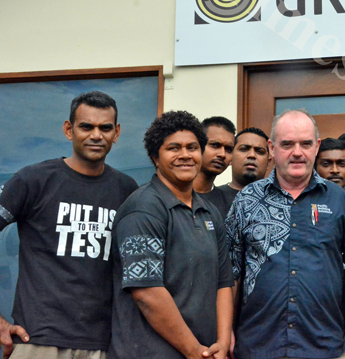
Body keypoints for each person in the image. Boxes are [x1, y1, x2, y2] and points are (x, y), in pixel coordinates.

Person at [0, 91, 138, 359]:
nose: (96, 135)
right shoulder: (34, 180)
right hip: (37, 339)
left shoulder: (126, 189)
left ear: (116, 132)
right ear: (69, 129)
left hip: (103, 343)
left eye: (105, 128)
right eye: (86, 126)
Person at [225, 110, 345, 359]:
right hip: (258, 346)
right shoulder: (246, 200)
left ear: (317, 147)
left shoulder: (339, 200)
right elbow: (230, 273)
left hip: (325, 346)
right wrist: (225, 331)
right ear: (272, 147)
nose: (297, 152)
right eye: (287, 144)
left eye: (306, 144)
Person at [109, 110, 234, 358]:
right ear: (155, 157)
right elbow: (147, 293)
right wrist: (194, 350)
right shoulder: (142, 209)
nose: (185, 155)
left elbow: (224, 283)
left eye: (193, 147)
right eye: (174, 148)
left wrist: (221, 341)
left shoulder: (209, 212)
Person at [208, 127, 269, 217]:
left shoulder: (279, 201)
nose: (252, 155)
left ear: (269, 161)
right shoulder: (210, 200)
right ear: (230, 157)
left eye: (259, 151)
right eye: (244, 149)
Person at [193, 116, 235, 204]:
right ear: (198, 146)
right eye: (215, 145)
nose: (222, 154)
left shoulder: (231, 203)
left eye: (228, 149)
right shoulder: (170, 196)